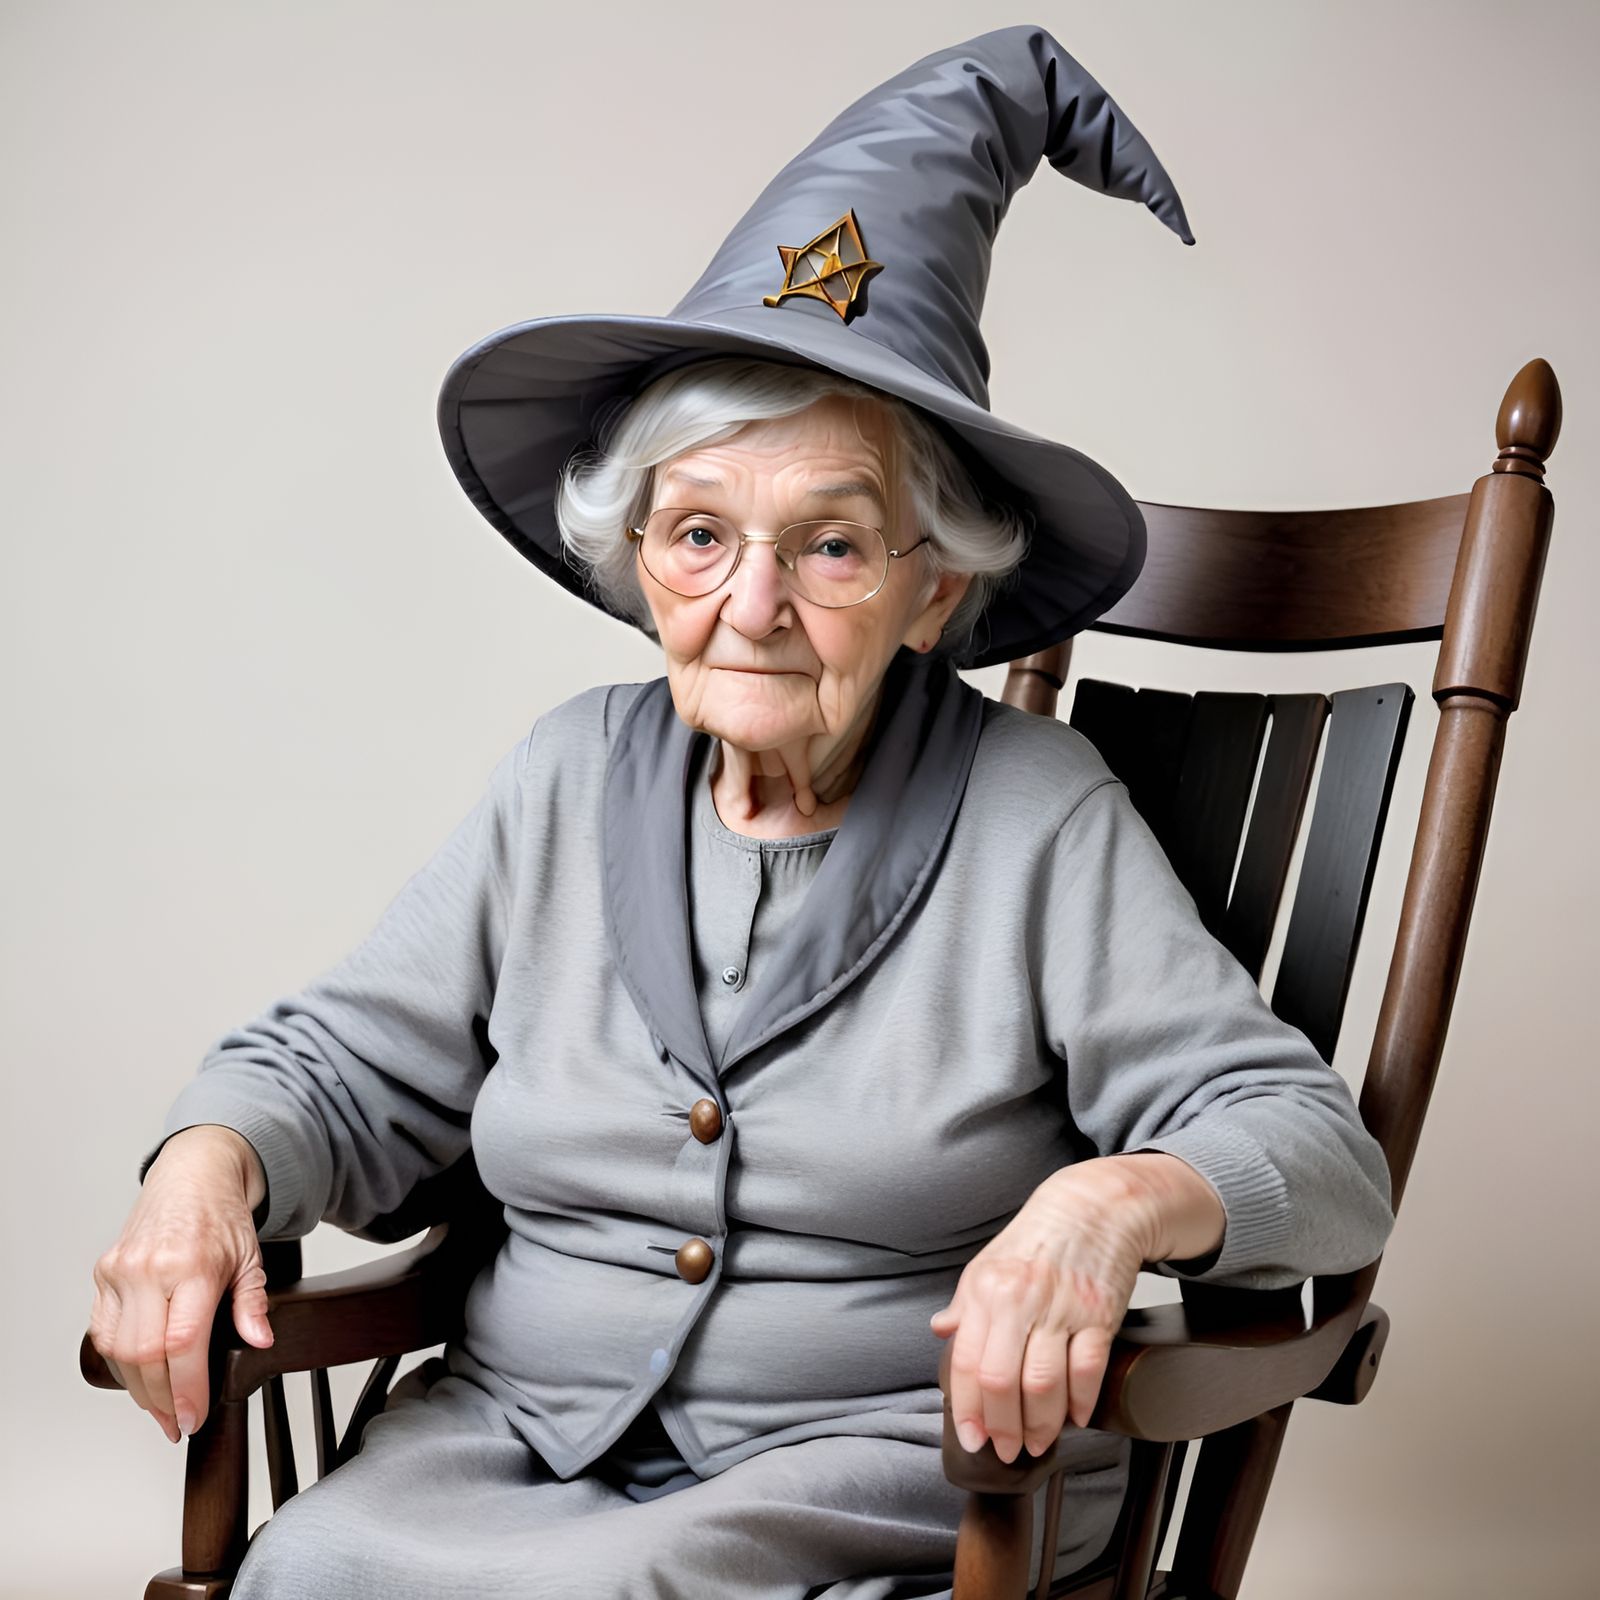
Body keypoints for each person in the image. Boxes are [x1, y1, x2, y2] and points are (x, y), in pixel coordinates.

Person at [88, 25, 1396, 1599]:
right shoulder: (566, 776)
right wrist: (206, 1162)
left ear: (933, 589)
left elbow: (1314, 1150)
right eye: (699, 534)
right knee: (317, 1562)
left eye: (831, 547)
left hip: (899, 1460)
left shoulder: (1034, 817)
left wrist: (1110, 1203)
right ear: (636, 559)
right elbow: (344, 1064)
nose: (752, 605)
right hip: (519, 1430)